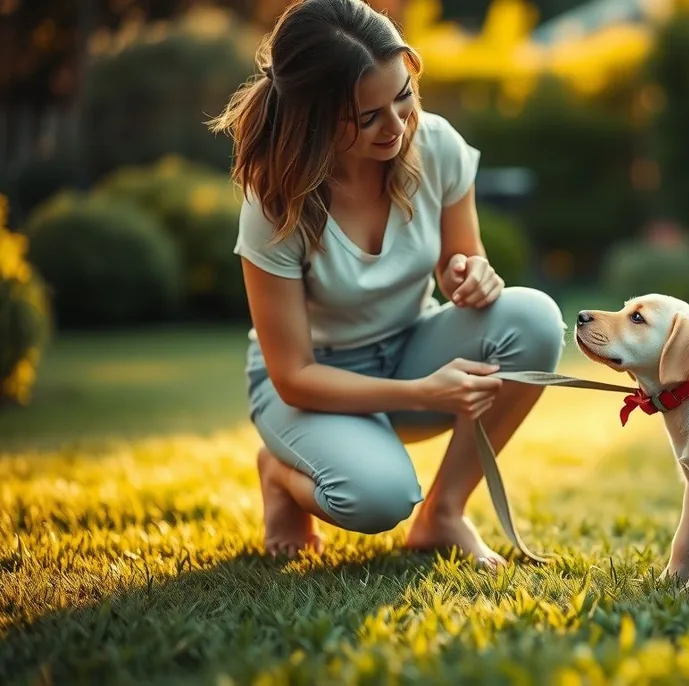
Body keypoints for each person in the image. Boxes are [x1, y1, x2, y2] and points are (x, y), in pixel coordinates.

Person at [208, 0, 565, 566]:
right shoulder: (274, 204)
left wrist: (469, 275)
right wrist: (425, 393)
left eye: (403, 98)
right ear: (314, 117)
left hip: (408, 348)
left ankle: (444, 514)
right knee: (377, 499)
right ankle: (280, 473)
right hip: (311, 388)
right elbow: (294, 376)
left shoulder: (437, 145)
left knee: (534, 318)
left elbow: (465, 258)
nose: (397, 127)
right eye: (368, 115)